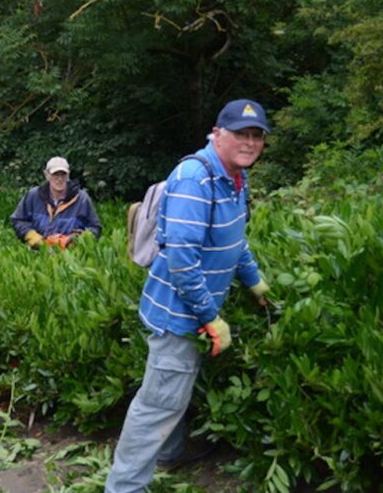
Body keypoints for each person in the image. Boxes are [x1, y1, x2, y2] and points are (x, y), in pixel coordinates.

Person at [105, 99, 272, 492]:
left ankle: (171, 452)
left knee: (172, 391)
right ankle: (124, 487)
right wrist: (209, 316)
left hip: (190, 312)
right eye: (240, 134)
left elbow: (234, 239)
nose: (249, 143)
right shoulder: (194, 180)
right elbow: (181, 259)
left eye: (256, 136)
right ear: (217, 134)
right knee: (158, 404)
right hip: (178, 315)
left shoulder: (234, 177)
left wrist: (254, 280)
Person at [11, 156, 102, 249]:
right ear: (47, 175)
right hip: (37, 253)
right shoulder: (33, 195)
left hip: (73, 256)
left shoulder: (82, 199)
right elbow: (18, 220)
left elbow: (95, 228)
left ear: (68, 175)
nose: (59, 178)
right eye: (55, 174)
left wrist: (77, 239)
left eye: (63, 174)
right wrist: (32, 237)